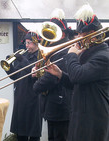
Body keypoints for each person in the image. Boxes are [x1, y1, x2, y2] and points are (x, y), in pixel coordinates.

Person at [45, 4, 109, 141]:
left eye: (82, 35)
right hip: (80, 116)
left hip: (93, 119)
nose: (78, 38)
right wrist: (60, 75)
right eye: (79, 34)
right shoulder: (89, 54)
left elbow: (77, 76)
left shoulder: (103, 56)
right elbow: (78, 83)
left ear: (94, 36)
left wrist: (71, 55)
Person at [32, 8, 73, 141]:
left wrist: (37, 85)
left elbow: (52, 77)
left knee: (59, 137)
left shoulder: (64, 50)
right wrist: (37, 70)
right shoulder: (55, 50)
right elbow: (48, 71)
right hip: (54, 104)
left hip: (60, 105)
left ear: (62, 34)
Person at [4, 31, 42, 141]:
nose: (26, 46)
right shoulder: (24, 56)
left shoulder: (40, 56)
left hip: (33, 98)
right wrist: (8, 67)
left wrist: (21, 59)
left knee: (34, 134)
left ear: (36, 43)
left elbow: (34, 73)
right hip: (20, 97)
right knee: (20, 133)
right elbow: (15, 76)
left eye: (29, 43)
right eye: (26, 43)